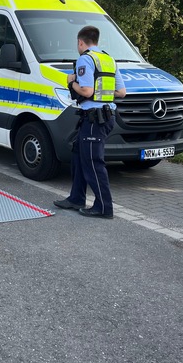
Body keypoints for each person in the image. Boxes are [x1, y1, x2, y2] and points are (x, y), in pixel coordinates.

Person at [54, 26, 126, 219]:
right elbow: (121, 92)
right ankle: (76, 198)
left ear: (81, 42)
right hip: (103, 116)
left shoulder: (85, 59)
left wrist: (71, 82)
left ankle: (104, 207)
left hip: (95, 118)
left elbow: (85, 91)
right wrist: (100, 93)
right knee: (78, 156)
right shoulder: (108, 59)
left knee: (93, 162)